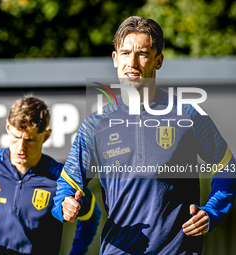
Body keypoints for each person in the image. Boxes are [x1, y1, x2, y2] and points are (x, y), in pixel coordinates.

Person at [52, 16, 236, 255]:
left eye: (142, 54)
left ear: (158, 61)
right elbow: (67, 184)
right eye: (126, 53)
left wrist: (212, 212)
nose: (133, 63)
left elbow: (227, 168)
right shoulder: (95, 124)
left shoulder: (187, 115)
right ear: (115, 59)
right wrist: (65, 204)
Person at [0, 97, 101, 255]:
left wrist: (77, 252)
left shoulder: (62, 177)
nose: (21, 147)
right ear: (7, 127)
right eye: (16, 137)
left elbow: (92, 216)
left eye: (30, 140)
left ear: (46, 136)